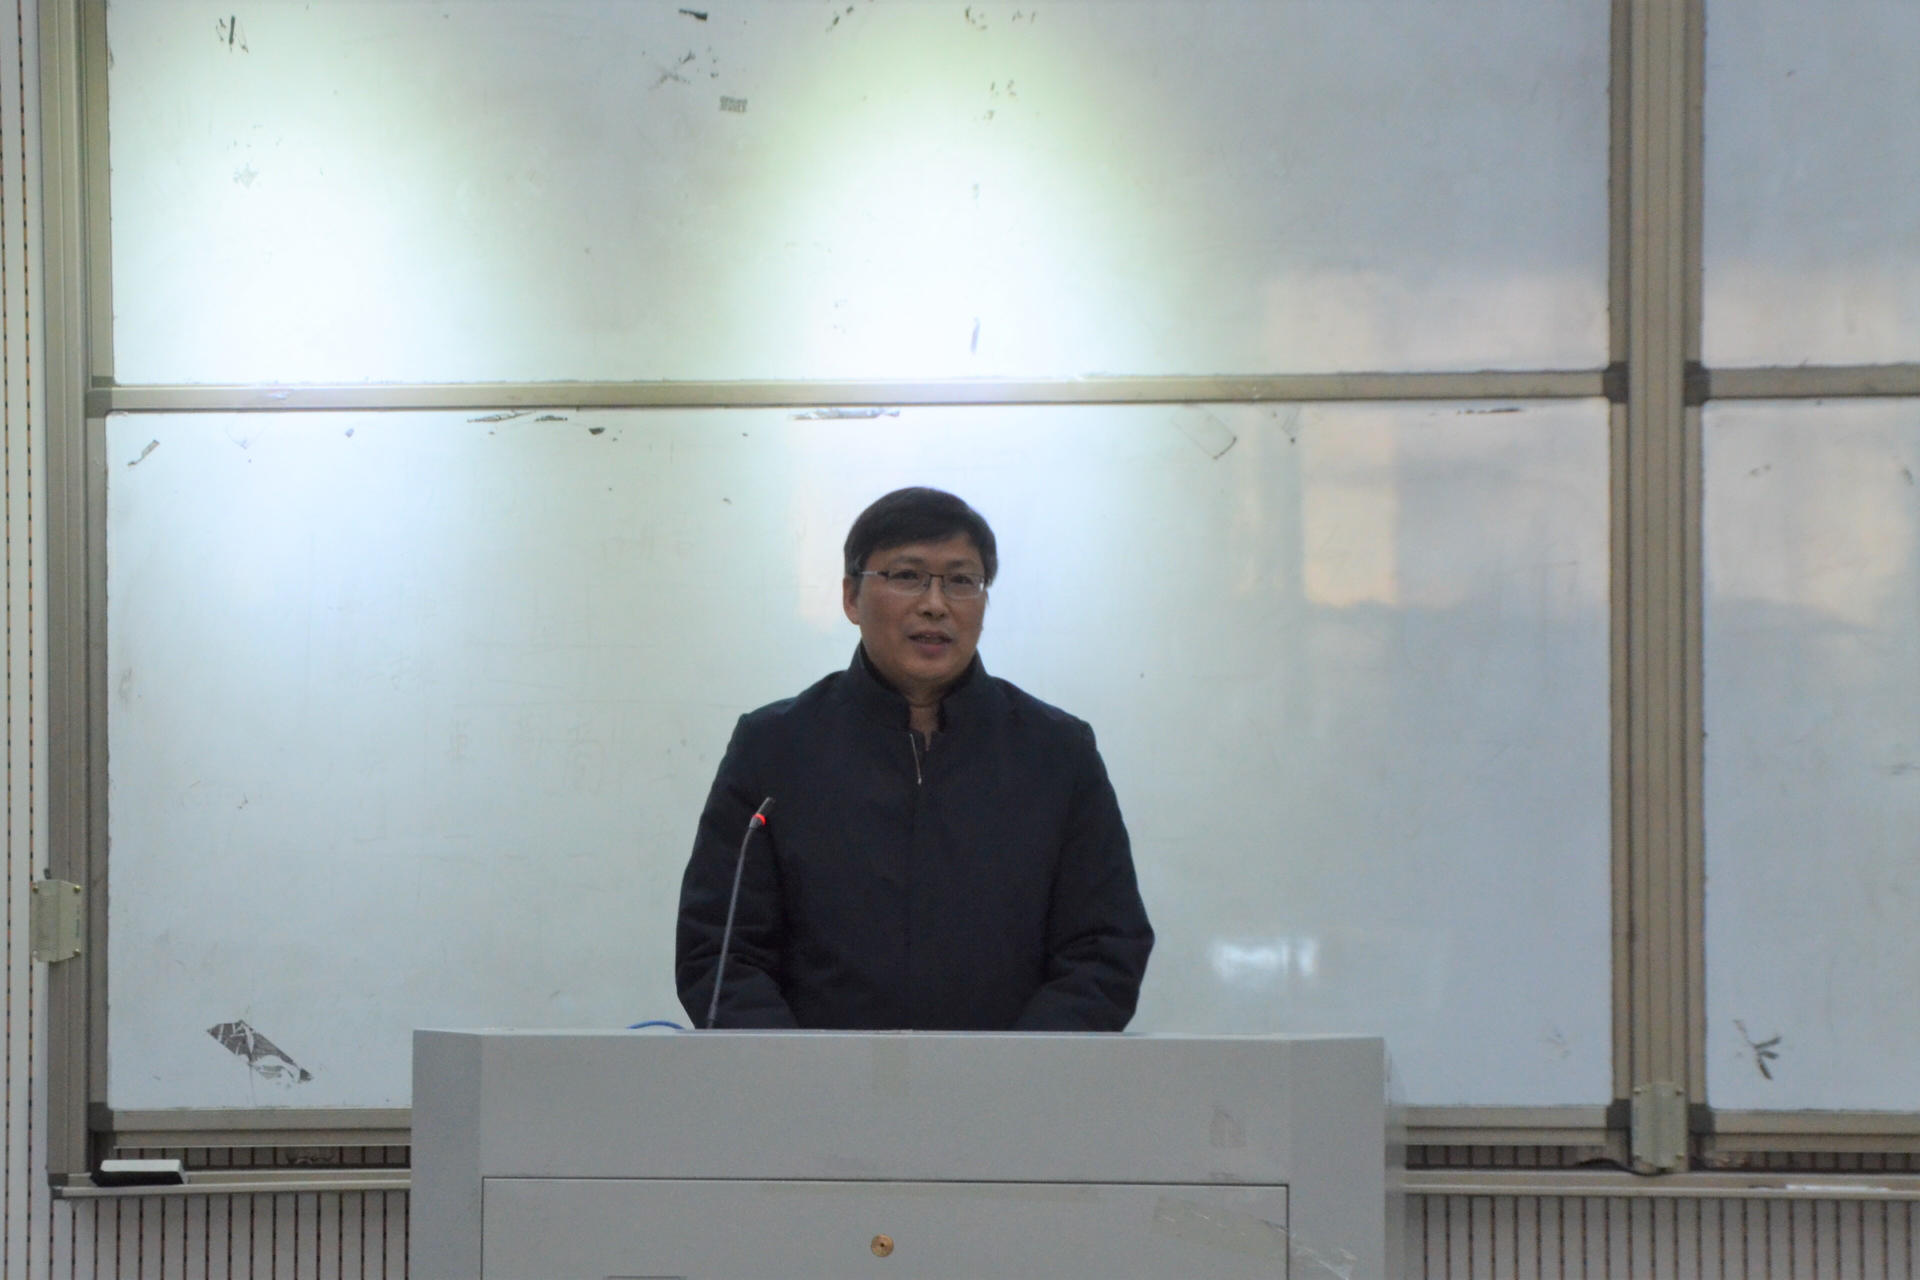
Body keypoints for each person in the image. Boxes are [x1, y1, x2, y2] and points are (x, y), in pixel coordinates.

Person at [675, 486, 1154, 1030]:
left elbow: (1104, 950)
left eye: (961, 581)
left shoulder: (1057, 754)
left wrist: (1017, 1070)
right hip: (814, 1081)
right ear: (851, 597)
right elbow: (720, 952)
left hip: (1012, 1081)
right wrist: (799, 1072)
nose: (935, 604)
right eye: (907, 576)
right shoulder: (775, 748)